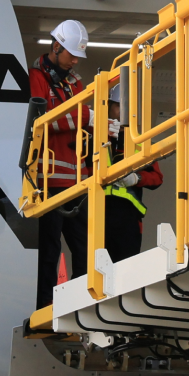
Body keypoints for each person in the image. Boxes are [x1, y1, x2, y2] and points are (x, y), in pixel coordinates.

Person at [29, 19, 90, 309]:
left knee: (84, 251)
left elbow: (79, 114)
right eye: (71, 54)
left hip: (76, 181)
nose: (75, 60)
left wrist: (100, 123)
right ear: (56, 46)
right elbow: (45, 120)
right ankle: (45, 307)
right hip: (48, 182)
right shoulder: (35, 77)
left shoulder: (74, 81)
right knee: (48, 251)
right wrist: (86, 117)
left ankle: (80, 306)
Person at [105, 82, 163, 262]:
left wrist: (137, 178)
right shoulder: (94, 135)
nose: (122, 111)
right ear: (108, 107)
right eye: (118, 106)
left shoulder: (141, 142)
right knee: (94, 272)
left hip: (128, 217)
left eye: (127, 107)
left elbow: (157, 178)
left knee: (125, 270)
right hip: (96, 212)